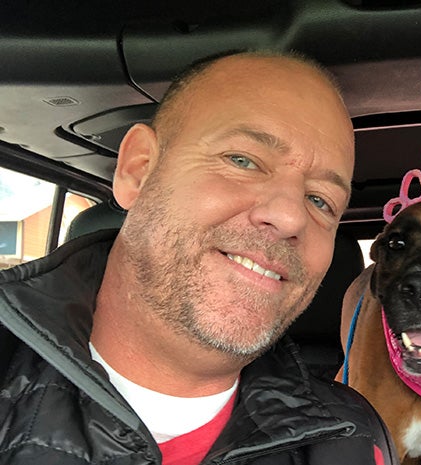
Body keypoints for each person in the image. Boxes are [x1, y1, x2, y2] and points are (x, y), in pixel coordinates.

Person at [0, 51, 397, 465]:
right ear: (139, 170)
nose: (289, 216)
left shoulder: (353, 439)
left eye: (320, 200)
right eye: (243, 161)